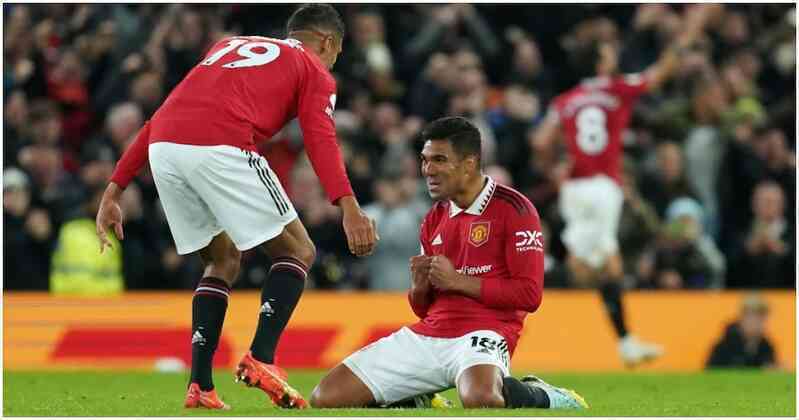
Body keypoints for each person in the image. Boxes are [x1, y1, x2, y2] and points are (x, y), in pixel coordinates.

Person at [94, 4, 378, 410]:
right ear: (328, 42)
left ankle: (200, 385)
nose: (334, 61)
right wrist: (348, 205)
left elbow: (161, 115)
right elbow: (320, 138)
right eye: (337, 53)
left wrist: (114, 189)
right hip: (220, 143)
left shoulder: (228, 45)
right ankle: (262, 358)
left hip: (165, 148)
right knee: (298, 250)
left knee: (222, 259)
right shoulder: (314, 69)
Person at [310, 117, 587, 410]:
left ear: (469, 164)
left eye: (439, 160)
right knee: (327, 397)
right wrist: (419, 288)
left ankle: (546, 396)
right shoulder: (434, 218)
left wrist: (457, 281)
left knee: (481, 398)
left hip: (485, 333)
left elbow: (529, 295)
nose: (428, 169)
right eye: (425, 160)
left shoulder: (515, 209)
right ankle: (417, 398)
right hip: (431, 334)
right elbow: (423, 309)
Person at [531, 5, 717, 366]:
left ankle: (626, 342)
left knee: (609, 266)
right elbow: (660, 74)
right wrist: (686, 36)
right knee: (585, 270)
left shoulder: (564, 101)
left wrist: (554, 168)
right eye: (608, 52)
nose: (613, 55)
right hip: (602, 187)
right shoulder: (617, 89)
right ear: (600, 62)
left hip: (575, 188)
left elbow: (540, 142)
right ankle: (511, 297)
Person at [706, 294, 777, 369]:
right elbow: (710, 371)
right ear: (742, 318)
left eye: (761, 318)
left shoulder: (766, 347)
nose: (756, 322)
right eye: (751, 317)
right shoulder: (725, 345)